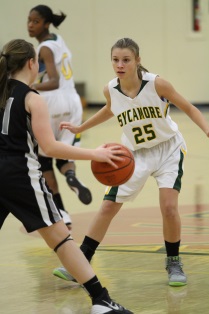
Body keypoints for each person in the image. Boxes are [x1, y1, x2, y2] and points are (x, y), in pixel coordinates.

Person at [53, 37, 209, 287]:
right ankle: (81, 260)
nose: (120, 64)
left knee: (168, 208)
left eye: (126, 60)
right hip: (133, 154)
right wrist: (81, 126)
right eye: (115, 60)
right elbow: (110, 108)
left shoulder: (157, 84)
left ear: (138, 60)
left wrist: (206, 129)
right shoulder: (110, 89)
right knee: (107, 208)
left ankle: (174, 262)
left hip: (168, 149)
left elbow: (189, 108)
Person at [0, 38, 133, 314]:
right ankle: (101, 300)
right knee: (61, 237)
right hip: (18, 175)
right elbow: (49, 147)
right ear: (32, 63)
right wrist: (95, 154)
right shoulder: (31, 97)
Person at [27, 5, 92, 229]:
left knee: (43, 159)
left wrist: (30, 86)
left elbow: (53, 80)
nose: (30, 25)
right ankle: (72, 177)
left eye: (35, 21)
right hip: (72, 102)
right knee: (64, 152)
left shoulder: (44, 48)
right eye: (29, 21)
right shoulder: (58, 40)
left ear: (46, 23)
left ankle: (61, 212)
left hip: (52, 102)